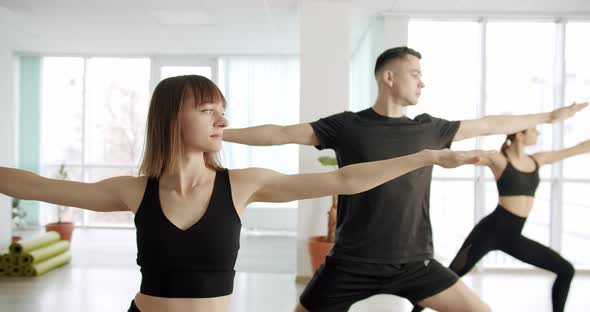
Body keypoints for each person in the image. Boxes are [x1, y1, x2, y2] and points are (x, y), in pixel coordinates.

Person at [0, 75, 489, 312]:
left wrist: (424, 158)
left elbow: (344, 180)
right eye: (208, 110)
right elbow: (40, 186)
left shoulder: (243, 183)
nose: (223, 121)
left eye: (223, 110)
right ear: (173, 118)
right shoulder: (133, 190)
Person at [222, 47, 588, 312]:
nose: (422, 83)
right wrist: (219, 135)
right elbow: (281, 133)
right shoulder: (347, 126)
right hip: (351, 261)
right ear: (389, 76)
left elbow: (492, 124)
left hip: (414, 261)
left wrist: (550, 116)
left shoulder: (431, 129)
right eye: (415, 74)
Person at [413, 129, 590, 312]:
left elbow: (576, 149)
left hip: (513, 237)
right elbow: (469, 156)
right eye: (534, 130)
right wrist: (430, 155)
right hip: (489, 232)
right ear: (520, 135)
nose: (538, 133)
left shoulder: (537, 159)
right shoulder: (500, 160)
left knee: (566, 270)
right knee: (449, 277)